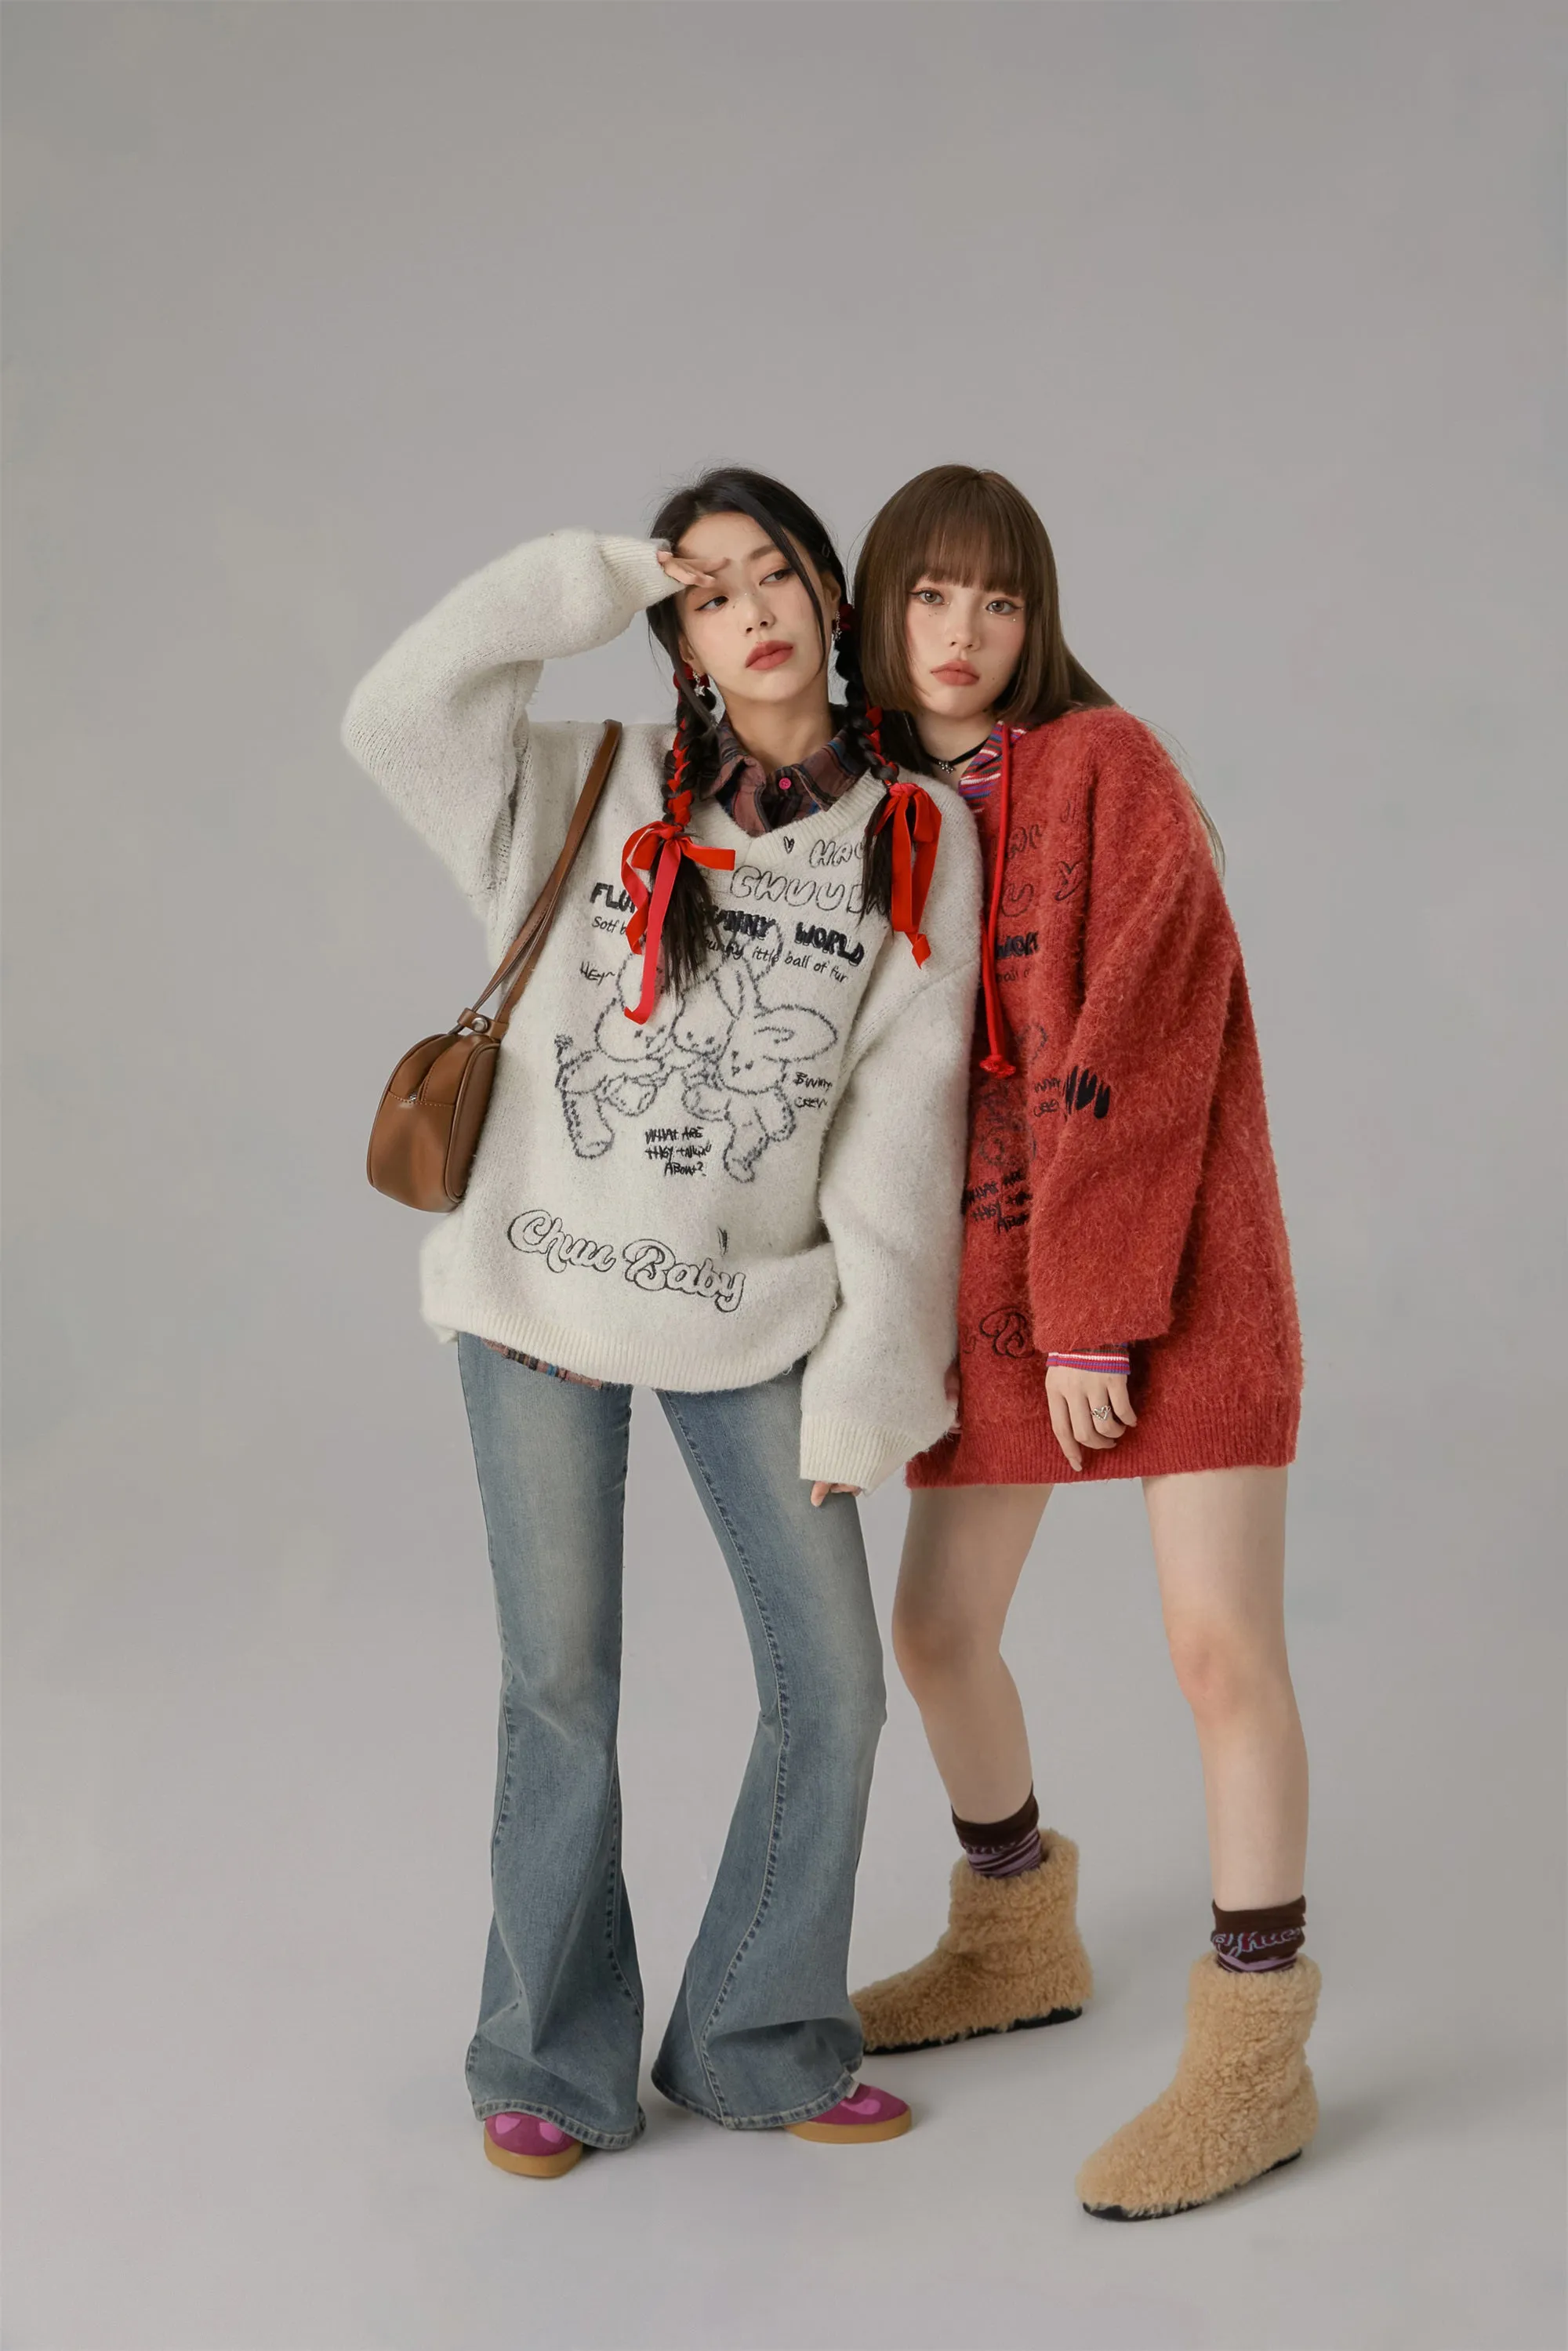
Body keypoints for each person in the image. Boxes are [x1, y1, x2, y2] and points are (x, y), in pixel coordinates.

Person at [341, 469, 981, 2176]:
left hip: (752, 1315)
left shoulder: (917, 833)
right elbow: (391, 710)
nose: (751, 610)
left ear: (830, 594)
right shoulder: (580, 780)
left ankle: (754, 2034)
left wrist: (871, 1378)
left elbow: (901, 1132)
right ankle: (547, 2058)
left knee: (832, 1689)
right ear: (676, 637)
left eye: (774, 574)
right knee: (558, 1687)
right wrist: (581, 576)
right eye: (706, 592)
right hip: (538, 1293)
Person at [848, 465, 1316, 2220]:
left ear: (1036, 621)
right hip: (999, 1293)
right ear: (878, 609)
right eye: (930, 596)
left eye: (1000, 600)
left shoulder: (1107, 764)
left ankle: (1256, 2056)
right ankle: (1015, 1936)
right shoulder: (873, 804)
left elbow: (1152, 1031)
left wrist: (1100, 1314)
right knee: (935, 1629)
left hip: (1169, 1276)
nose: (963, 633)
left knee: (1216, 1650)